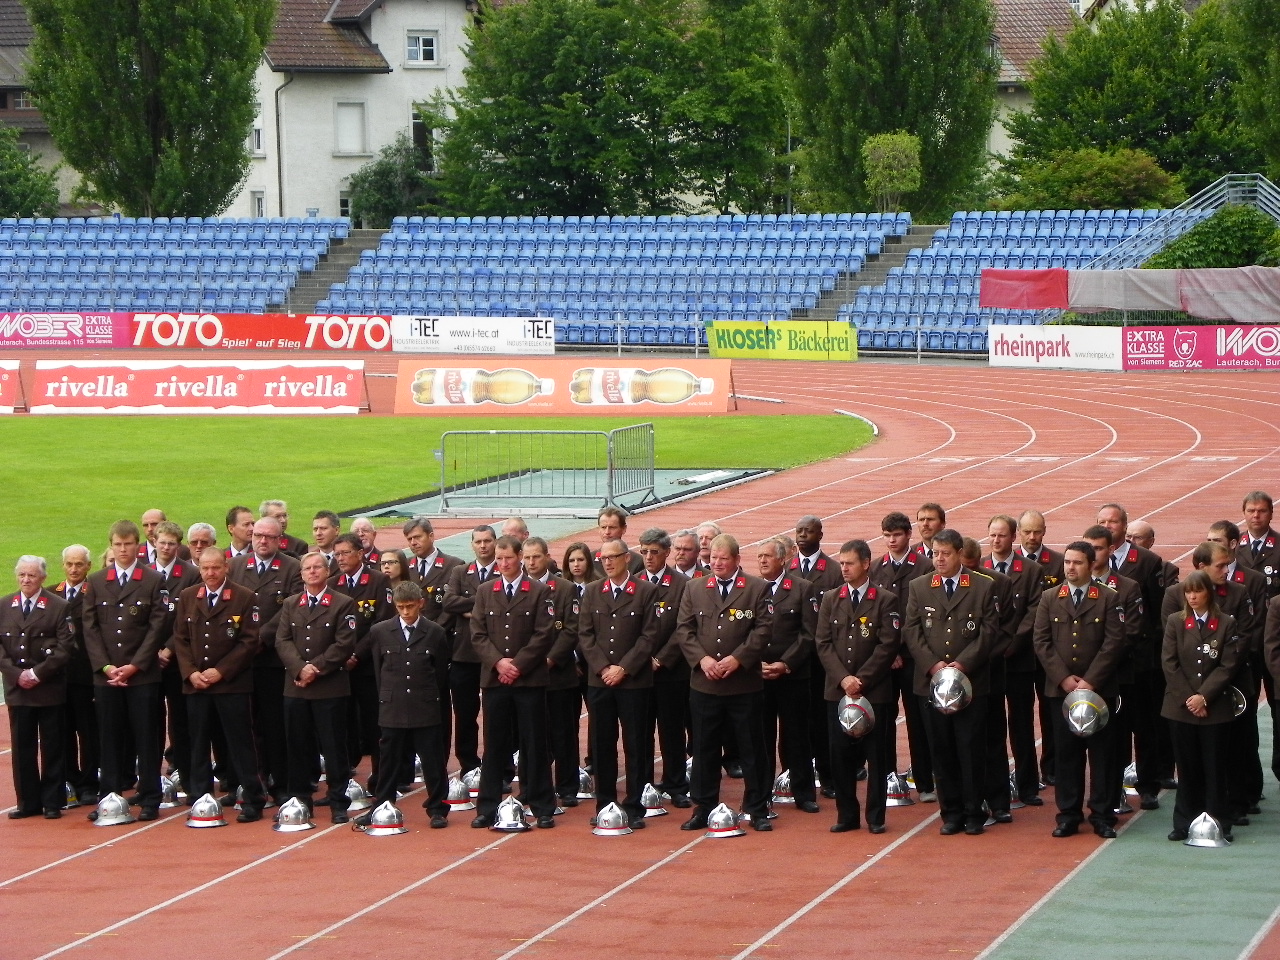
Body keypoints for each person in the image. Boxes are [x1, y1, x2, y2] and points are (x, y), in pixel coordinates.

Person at [674, 533, 773, 832]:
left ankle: (757, 808)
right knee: (704, 748)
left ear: (737, 559)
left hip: (743, 686)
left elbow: (763, 629)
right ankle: (703, 807)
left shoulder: (756, 588)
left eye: (724, 558)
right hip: (705, 685)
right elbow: (684, 629)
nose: (717, 563)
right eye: (714, 558)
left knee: (751, 748)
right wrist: (702, 660)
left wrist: (738, 659)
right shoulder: (694, 588)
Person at [903, 528, 997, 836]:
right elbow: (912, 631)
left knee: (970, 750)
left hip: (970, 683)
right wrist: (933, 666)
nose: (939, 560)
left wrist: (962, 665)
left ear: (959, 554)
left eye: (945, 554)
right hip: (932, 684)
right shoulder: (919, 586)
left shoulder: (982, 586)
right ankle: (951, 813)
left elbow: (988, 632)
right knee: (941, 750)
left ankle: (974, 813)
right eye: (935, 554)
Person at [1032, 540, 1126, 839]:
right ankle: (1068, 815)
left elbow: (1114, 643)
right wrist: (1063, 678)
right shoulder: (1050, 597)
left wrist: (1090, 682)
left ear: (1090, 564)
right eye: (1067, 562)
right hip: (1062, 693)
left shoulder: (1108, 597)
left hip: (1099, 692)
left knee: (1102, 756)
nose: (1070, 568)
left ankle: (1102, 814)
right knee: (1067, 755)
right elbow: (1042, 641)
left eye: (1077, 563)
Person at [469, 535, 558, 829]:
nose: (503, 563)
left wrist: (517, 665)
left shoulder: (539, 591)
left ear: (520, 556)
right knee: (494, 745)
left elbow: (544, 634)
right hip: (495, 681)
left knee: (535, 743)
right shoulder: (485, 591)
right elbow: (478, 633)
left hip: (529, 680)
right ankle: (487, 806)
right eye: (499, 558)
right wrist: (498, 663)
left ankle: (543, 805)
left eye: (508, 557)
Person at [82, 520, 168, 821]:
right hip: (107, 677)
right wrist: (106, 666)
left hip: (141, 675)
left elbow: (157, 627)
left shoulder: (153, 579)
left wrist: (135, 665)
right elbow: (90, 628)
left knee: (146, 738)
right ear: (111, 545)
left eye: (128, 544)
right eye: (117, 544)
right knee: (108, 739)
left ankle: (150, 797)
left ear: (137, 546)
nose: (122, 550)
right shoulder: (96, 580)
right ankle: (109, 798)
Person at [172, 548, 266, 822]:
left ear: (226, 567)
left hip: (231, 685)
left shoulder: (244, 597)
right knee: (198, 743)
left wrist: (221, 671)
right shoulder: (189, 596)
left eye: (215, 567)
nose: (210, 573)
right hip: (197, 685)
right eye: (205, 568)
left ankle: (252, 799)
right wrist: (191, 672)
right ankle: (201, 798)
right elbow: (180, 638)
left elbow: (249, 641)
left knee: (240, 743)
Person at [815, 539, 901, 834]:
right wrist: (843, 679)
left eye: (849, 563)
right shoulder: (831, 598)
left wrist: (861, 680)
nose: (844, 568)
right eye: (841, 563)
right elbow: (823, 643)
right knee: (840, 755)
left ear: (866, 564)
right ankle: (846, 815)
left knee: (877, 756)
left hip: (873, 692)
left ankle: (876, 817)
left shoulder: (885, 600)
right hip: (838, 692)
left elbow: (887, 645)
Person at [578, 538, 660, 826]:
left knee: (636, 744)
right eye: (604, 558)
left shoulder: (646, 591)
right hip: (600, 682)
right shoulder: (592, 591)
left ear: (627, 558)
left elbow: (649, 636)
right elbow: (585, 635)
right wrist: (603, 667)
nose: (608, 562)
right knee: (602, 744)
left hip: (633, 682)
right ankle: (606, 804)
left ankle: (634, 807)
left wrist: (623, 668)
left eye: (613, 557)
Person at [359, 581, 451, 829]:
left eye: (410, 606)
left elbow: (440, 672)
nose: (406, 612)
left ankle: (437, 808)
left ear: (421, 603)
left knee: (433, 761)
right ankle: (382, 805)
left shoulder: (435, 632)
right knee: (388, 761)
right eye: (401, 607)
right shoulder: (380, 631)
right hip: (393, 705)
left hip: (424, 705)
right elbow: (379, 669)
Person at [275, 552, 358, 823]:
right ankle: (300, 800)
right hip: (296, 687)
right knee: (297, 746)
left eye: (317, 567)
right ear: (301, 574)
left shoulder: (342, 603)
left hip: (329, 688)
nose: (312, 572)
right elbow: (282, 640)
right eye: (307, 568)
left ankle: (338, 802)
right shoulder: (291, 604)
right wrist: (300, 668)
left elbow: (344, 643)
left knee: (334, 748)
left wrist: (315, 668)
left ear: (327, 571)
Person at [1162, 571, 1243, 842]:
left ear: (1209, 592)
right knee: (1187, 768)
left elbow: (1228, 665)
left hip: (1215, 709)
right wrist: (1190, 698)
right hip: (1181, 708)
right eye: (1188, 591)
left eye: (1197, 591)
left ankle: (1219, 822)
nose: (1192, 596)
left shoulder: (1226, 623)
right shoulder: (1176, 621)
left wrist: (1204, 696)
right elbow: (1169, 662)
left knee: (1214, 767)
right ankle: (1184, 821)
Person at [228, 516, 302, 806]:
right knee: (245, 725)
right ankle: (250, 782)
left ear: (279, 539)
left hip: (272, 659)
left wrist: (260, 638)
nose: (262, 541)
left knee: (274, 725)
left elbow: (290, 610)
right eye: (257, 535)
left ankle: (280, 783)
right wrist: (245, 642)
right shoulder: (235, 566)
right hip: (241, 661)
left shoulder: (291, 567)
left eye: (269, 537)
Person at [1097, 503, 1172, 793]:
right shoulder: (1089, 559)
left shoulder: (1147, 561)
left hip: (1139, 661)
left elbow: (1156, 614)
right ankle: (1112, 787)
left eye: (1113, 521)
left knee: (1144, 726)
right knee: (1111, 728)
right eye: (1102, 521)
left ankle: (1148, 786)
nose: (1107, 526)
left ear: (1125, 526)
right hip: (1104, 663)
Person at [869, 511, 935, 802]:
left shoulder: (923, 566)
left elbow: (921, 615)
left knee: (918, 720)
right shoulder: (876, 568)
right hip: (884, 658)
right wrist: (889, 650)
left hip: (912, 657)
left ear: (909, 534)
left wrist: (900, 648)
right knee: (882, 719)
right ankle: (886, 778)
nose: (892, 540)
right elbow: (872, 614)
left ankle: (924, 781)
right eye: (887, 535)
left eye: (896, 535)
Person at [1, 556, 72, 819]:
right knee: (22, 748)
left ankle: (53, 802)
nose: (26, 580)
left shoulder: (58, 606)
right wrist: (16, 674)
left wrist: (36, 673)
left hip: (47, 688)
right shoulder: (4, 605)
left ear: (43, 577)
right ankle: (28, 802)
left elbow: (65, 647)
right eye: (22, 575)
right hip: (18, 688)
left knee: (52, 746)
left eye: (31, 575)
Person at [983, 514, 1044, 808]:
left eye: (1002, 535)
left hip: (1018, 660)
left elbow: (1034, 611)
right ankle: (994, 786)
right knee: (992, 726)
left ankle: (1027, 785)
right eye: (992, 535)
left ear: (1013, 537)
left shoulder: (1031, 570)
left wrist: (1011, 643)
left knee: (1021, 725)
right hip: (988, 661)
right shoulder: (979, 568)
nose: (996, 541)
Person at [755, 536, 820, 813]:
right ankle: (761, 793)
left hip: (792, 676)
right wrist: (755, 662)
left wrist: (786, 663)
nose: (762, 560)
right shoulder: (752, 589)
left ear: (782, 559)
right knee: (761, 738)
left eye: (767, 556)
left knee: (797, 736)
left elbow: (809, 633)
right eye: (759, 556)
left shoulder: (802, 588)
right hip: (759, 676)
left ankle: (803, 793)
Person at [329, 533, 394, 793]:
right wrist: (340, 655)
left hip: (367, 667)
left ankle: (380, 780)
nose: (340, 558)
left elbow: (381, 623)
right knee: (342, 725)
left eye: (345, 553)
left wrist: (356, 654)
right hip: (340, 668)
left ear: (360, 554)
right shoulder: (333, 583)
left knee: (373, 724)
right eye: (337, 554)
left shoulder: (378, 581)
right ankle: (342, 783)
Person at [523, 536, 582, 806]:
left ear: (547, 556)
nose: (531, 562)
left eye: (536, 556)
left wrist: (550, 660)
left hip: (558, 674)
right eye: (527, 557)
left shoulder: (565, 588)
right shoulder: (518, 588)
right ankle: (530, 785)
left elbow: (571, 629)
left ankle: (567, 787)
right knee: (530, 735)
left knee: (563, 733)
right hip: (527, 675)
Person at [638, 528, 692, 806]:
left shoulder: (683, 585)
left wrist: (661, 659)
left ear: (667, 553)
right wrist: (639, 659)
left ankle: (676, 784)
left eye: (654, 552)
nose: (648, 557)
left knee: (672, 731)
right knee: (640, 732)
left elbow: (683, 627)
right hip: (638, 672)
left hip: (671, 672)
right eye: (644, 552)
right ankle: (643, 784)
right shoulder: (634, 582)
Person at [148, 521, 201, 802]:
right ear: (154, 542)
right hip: (147, 661)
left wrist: (167, 650)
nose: (166, 547)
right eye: (162, 542)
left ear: (178, 545)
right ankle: (151, 783)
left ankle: (190, 782)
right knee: (149, 722)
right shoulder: (143, 572)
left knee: (181, 721)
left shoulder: (190, 574)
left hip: (178, 660)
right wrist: (149, 653)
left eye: (171, 543)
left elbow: (187, 618)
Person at [791, 516, 842, 797]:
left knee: (822, 720)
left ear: (820, 535)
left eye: (808, 531)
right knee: (797, 721)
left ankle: (828, 775)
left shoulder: (832, 571)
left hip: (822, 659)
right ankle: (795, 775)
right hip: (796, 659)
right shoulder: (788, 567)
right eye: (799, 531)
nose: (802, 536)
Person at [442, 525, 498, 775]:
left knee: (496, 715)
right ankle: (468, 764)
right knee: (464, 714)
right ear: (472, 544)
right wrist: (485, 605)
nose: (483, 546)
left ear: (495, 542)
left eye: (487, 541)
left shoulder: (504, 570)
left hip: (494, 654)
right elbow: (448, 602)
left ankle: (498, 765)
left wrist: (470, 609)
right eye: (478, 541)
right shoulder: (460, 571)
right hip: (464, 654)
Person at [1018, 508, 1065, 785]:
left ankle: (1052, 767)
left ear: (1045, 531)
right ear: (1019, 533)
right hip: (1019, 652)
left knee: (1051, 712)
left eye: (1037, 531)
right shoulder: (1001, 563)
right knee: (1021, 716)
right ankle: (1024, 773)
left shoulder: (1058, 563)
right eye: (1027, 531)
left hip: (1049, 653)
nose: (1032, 537)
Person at [55, 545, 98, 807]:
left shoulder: (95, 592)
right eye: (69, 564)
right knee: (63, 732)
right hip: (59, 677)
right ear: (63, 565)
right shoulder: (52, 593)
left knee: (89, 733)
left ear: (88, 566)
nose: (74, 569)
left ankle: (89, 783)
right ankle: (69, 780)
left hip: (85, 677)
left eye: (79, 564)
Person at [595, 507, 644, 576]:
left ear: (624, 529)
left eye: (612, 527)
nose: (607, 532)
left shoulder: (637, 562)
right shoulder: (589, 559)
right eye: (603, 527)